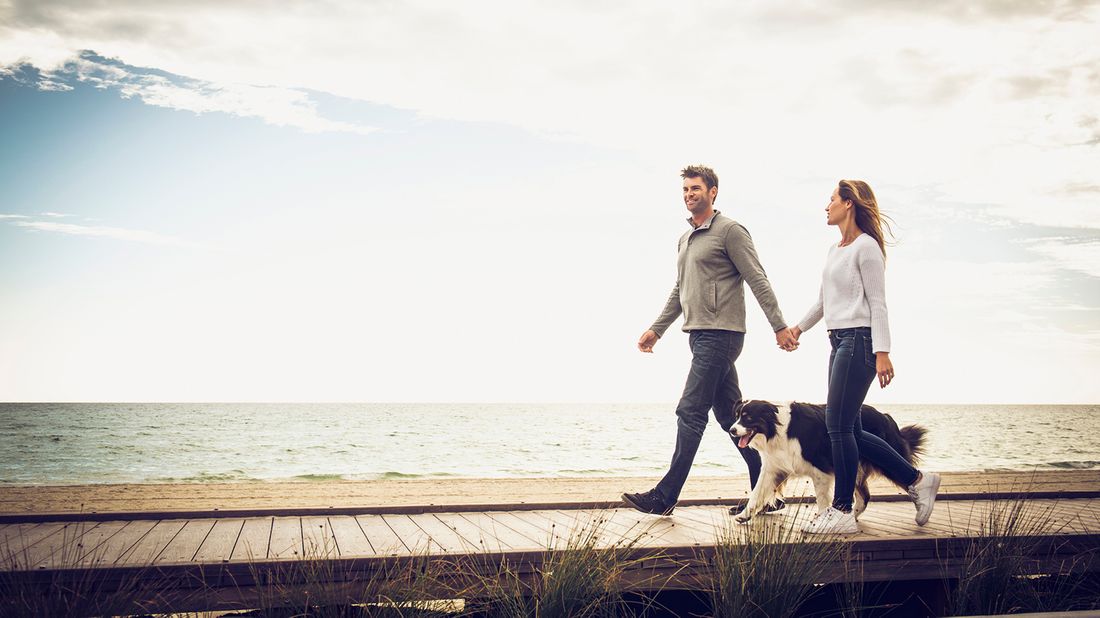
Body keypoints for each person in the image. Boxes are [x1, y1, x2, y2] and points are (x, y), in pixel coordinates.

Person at [621, 165, 799, 516]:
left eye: (696, 188)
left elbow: (757, 278)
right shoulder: (686, 239)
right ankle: (768, 494)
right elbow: (680, 289)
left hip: (722, 334)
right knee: (727, 416)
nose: (689, 194)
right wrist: (657, 328)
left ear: (713, 192)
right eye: (685, 189)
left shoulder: (730, 231)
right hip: (699, 335)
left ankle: (665, 496)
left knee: (690, 411)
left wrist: (779, 325)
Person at [791, 179, 940, 534]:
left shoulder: (867, 247)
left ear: (849, 204)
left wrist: (882, 352)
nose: (826, 206)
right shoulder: (834, 250)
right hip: (837, 339)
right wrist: (798, 329)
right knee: (850, 430)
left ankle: (842, 510)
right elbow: (824, 302)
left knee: (837, 427)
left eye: (831, 199)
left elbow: (878, 303)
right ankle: (917, 480)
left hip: (859, 341)